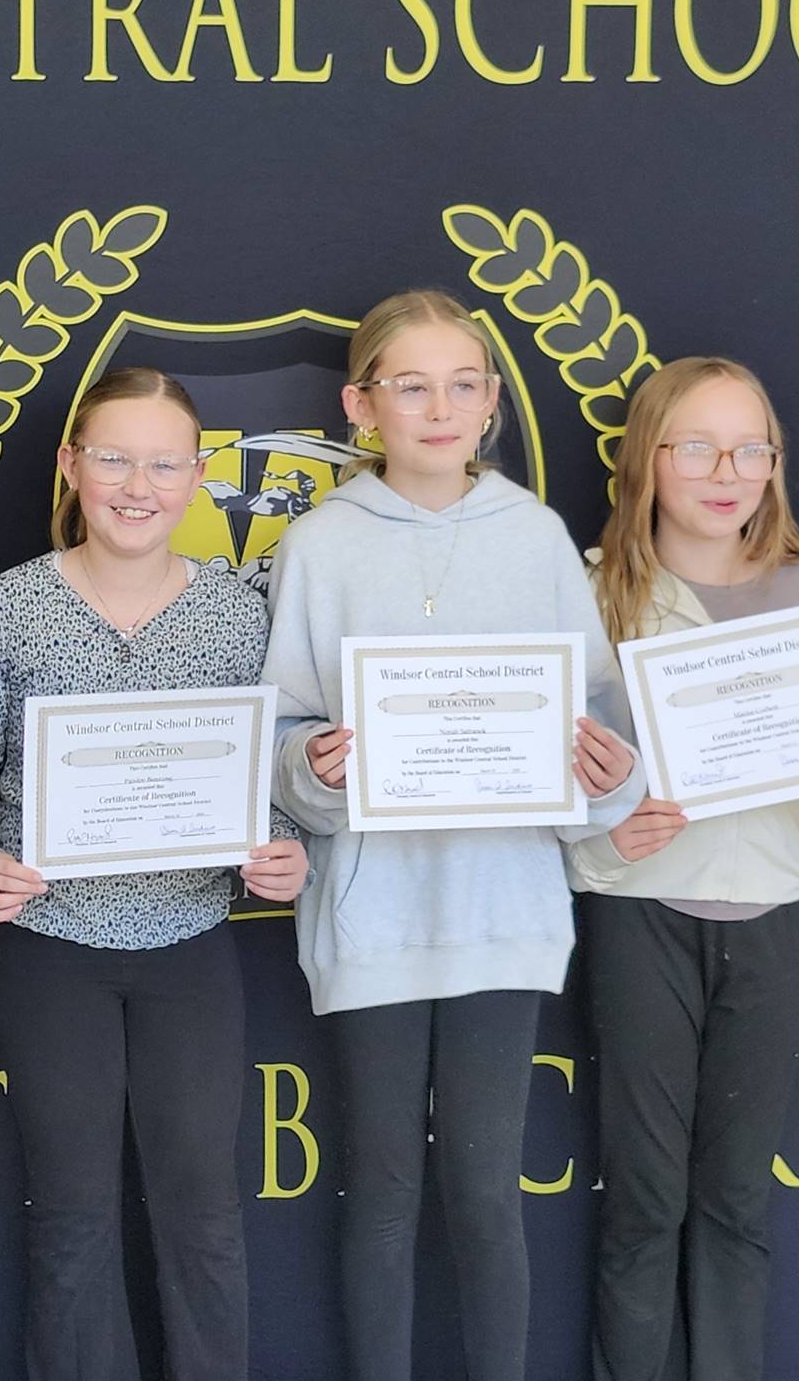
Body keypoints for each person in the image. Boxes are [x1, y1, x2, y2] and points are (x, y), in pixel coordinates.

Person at [261, 289, 644, 1381]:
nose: (440, 406)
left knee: (485, 1189)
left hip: (502, 910)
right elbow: (284, 733)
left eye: (463, 384)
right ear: (361, 405)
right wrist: (314, 769)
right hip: (373, 914)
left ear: (491, 406)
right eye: (411, 384)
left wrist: (607, 777)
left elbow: (597, 722)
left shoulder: (534, 538)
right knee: (380, 1186)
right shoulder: (320, 545)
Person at [0, 367, 309, 1381]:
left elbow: (257, 786)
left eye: (164, 464)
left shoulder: (237, 618)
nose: (138, 486)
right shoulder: (5, 610)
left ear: (197, 478)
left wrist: (277, 851)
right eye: (114, 459)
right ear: (70, 466)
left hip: (189, 946)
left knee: (206, 1213)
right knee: (75, 1215)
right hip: (50, 951)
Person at [570, 357, 799, 1381]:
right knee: (643, 1200)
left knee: (734, 1201)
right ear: (648, 460)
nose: (727, 471)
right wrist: (602, 842)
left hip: (768, 912)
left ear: (774, 463)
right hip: (639, 915)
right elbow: (552, 800)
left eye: (750, 448)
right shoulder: (598, 596)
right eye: (696, 446)